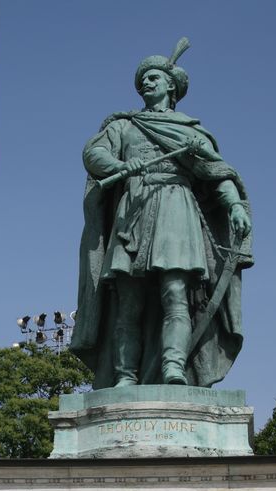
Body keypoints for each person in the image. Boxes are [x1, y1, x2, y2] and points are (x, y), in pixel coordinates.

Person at [70, 38, 253, 388]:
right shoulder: (124, 125)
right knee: (128, 303)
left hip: (176, 209)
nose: (147, 83)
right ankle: (125, 376)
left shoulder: (190, 131)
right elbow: (93, 155)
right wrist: (121, 163)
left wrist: (234, 205)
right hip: (133, 213)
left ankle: (173, 368)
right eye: (143, 80)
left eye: (154, 77)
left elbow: (217, 172)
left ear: (172, 85)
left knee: (175, 295)